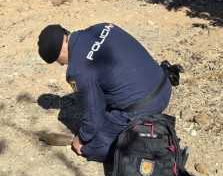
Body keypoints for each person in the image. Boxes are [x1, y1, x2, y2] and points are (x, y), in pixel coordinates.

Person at [37, 23, 172, 162]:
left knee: (91, 146)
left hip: (147, 106)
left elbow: (94, 113)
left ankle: (154, 146)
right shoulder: (102, 27)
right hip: (163, 83)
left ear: (59, 52)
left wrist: (82, 139)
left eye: (57, 60)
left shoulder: (77, 71)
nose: (60, 64)